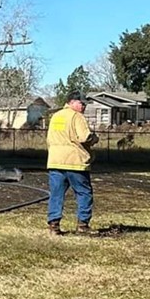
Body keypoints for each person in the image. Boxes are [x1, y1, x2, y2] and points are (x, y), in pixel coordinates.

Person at [46, 91, 99, 235]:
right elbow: (84, 137)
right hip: (75, 161)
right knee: (84, 193)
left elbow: (50, 138)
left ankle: (54, 225)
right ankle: (83, 225)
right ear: (72, 102)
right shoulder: (77, 116)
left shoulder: (55, 116)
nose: (84, 106)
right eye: (81, 103)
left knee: (56, 194)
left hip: (55, 161)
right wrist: (94, 138)